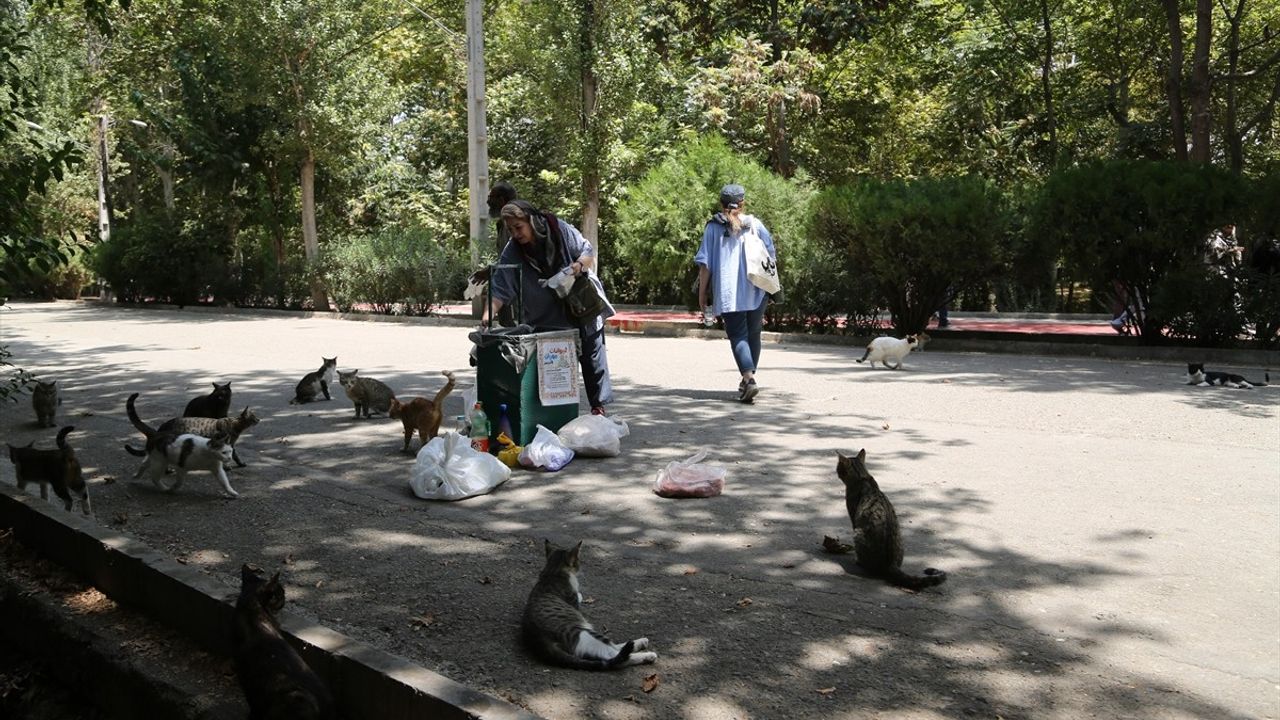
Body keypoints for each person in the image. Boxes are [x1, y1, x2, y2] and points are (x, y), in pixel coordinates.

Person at [482, 200, 615, 415]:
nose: (515, 234)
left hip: (581, 304)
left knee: (592, 355)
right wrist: (487, 316)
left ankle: (598, 410)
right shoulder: (514, 250)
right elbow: (500, 287)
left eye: (519, 227)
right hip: (547, 317)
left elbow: (587, 251)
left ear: (531, 220)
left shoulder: (559, 230)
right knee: (553, 367)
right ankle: (554, 415)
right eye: (511, 230)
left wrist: (578, 266)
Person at [695, 183, 776, 403]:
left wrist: (702, 295)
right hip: (757, 289)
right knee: (753, 334)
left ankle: (749, 379)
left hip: (729, 292)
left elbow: (705, 265)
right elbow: (771, 256)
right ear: (743, 203)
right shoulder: (756, 225)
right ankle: (748, 379)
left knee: (738, 335)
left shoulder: (713, 228)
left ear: (721, 204)